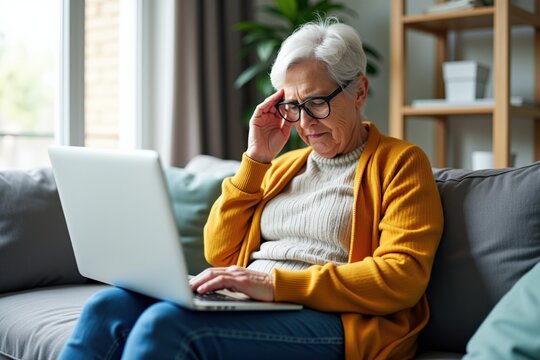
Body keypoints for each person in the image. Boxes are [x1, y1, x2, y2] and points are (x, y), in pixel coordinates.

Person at [59, 18, 443, 360]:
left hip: (337, 321)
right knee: (107, 307)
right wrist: (256, 158)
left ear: (359, 90)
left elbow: (402, 277)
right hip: (253, 304)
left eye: (317, 103)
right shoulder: (283, 167)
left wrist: (272, 284)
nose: (305, 123)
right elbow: (219, 251)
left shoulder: (401, 162)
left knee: (166, 324)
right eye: (292, 107)